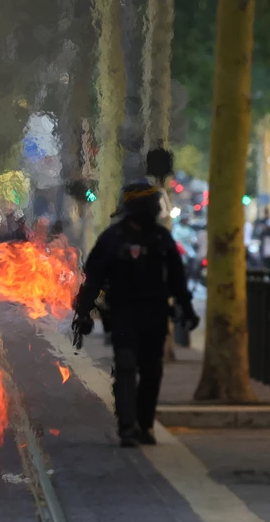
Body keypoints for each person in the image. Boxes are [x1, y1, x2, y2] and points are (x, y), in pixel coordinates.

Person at [72, 181, 199, 448]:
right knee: (127, 366)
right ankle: (128, 425)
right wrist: (83, 312)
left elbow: (177, 277)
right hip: (123, 315)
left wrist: (186, 309)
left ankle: (145, 424)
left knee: (152, 371)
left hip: (154, 315)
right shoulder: (113, 238)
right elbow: (93, 279)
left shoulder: (161, 238)